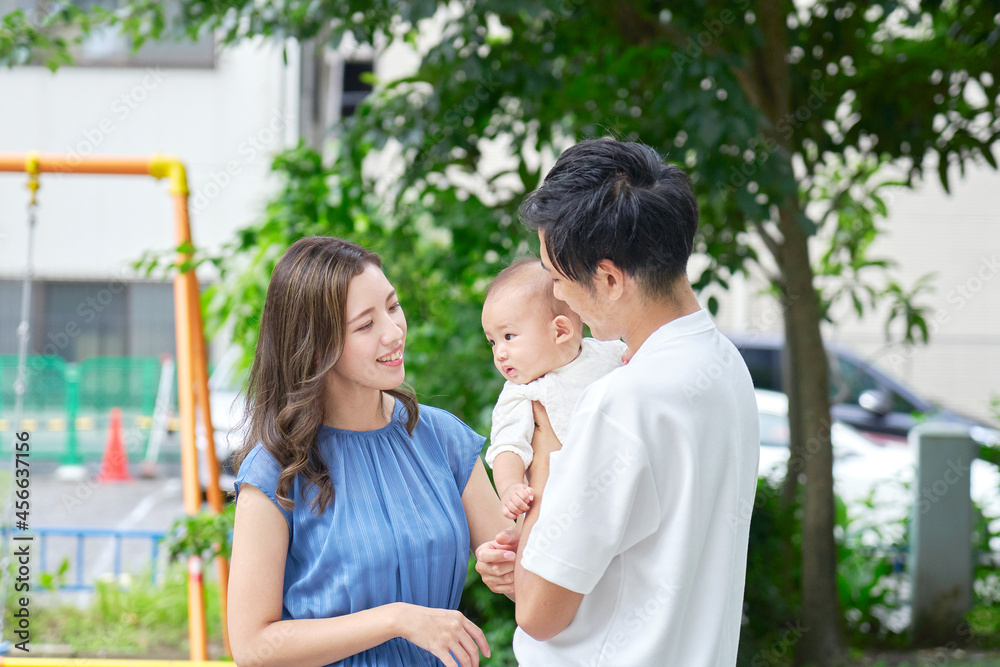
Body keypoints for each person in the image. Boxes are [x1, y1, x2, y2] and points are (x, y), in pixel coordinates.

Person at [475, 138, 760, 666]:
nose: (558, 296)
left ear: (608, 279)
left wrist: (544, 446)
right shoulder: (724, 364)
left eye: (557, 279)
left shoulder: (621, 402)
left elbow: (537, 613)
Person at [228, 236, 511, 667]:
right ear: (316, 346)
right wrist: (396, 620)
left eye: (393, 306)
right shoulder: (275, 470)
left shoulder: (443, 438)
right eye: (365, 325)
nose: (394, 332)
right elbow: (252, 647)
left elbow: (521, 573)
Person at [481, 258, 626, 520]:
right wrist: (510, 487)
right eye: (492, 341)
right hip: (569, 507)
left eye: (509, 336)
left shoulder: (609, 352)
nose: (499, 353)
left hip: (622, 481)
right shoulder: (521, 393)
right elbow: (507, 447)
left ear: (559, 331)